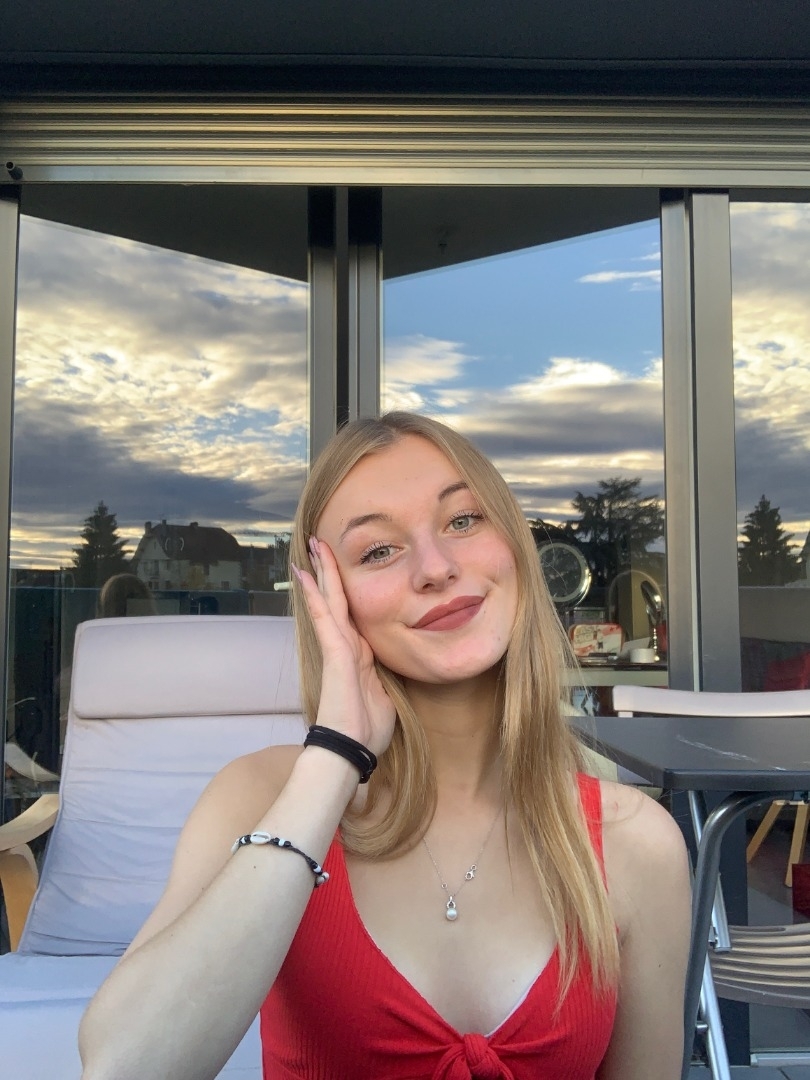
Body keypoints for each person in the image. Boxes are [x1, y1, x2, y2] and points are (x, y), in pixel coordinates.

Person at [79, 412, 691, 1080]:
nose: (436, 568)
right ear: (330, 600)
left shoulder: (637, 844)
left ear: (513, 545)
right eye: (377, 551)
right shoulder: (259, 799)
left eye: (463, 520)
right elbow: (124, 1067)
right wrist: (336, 753)